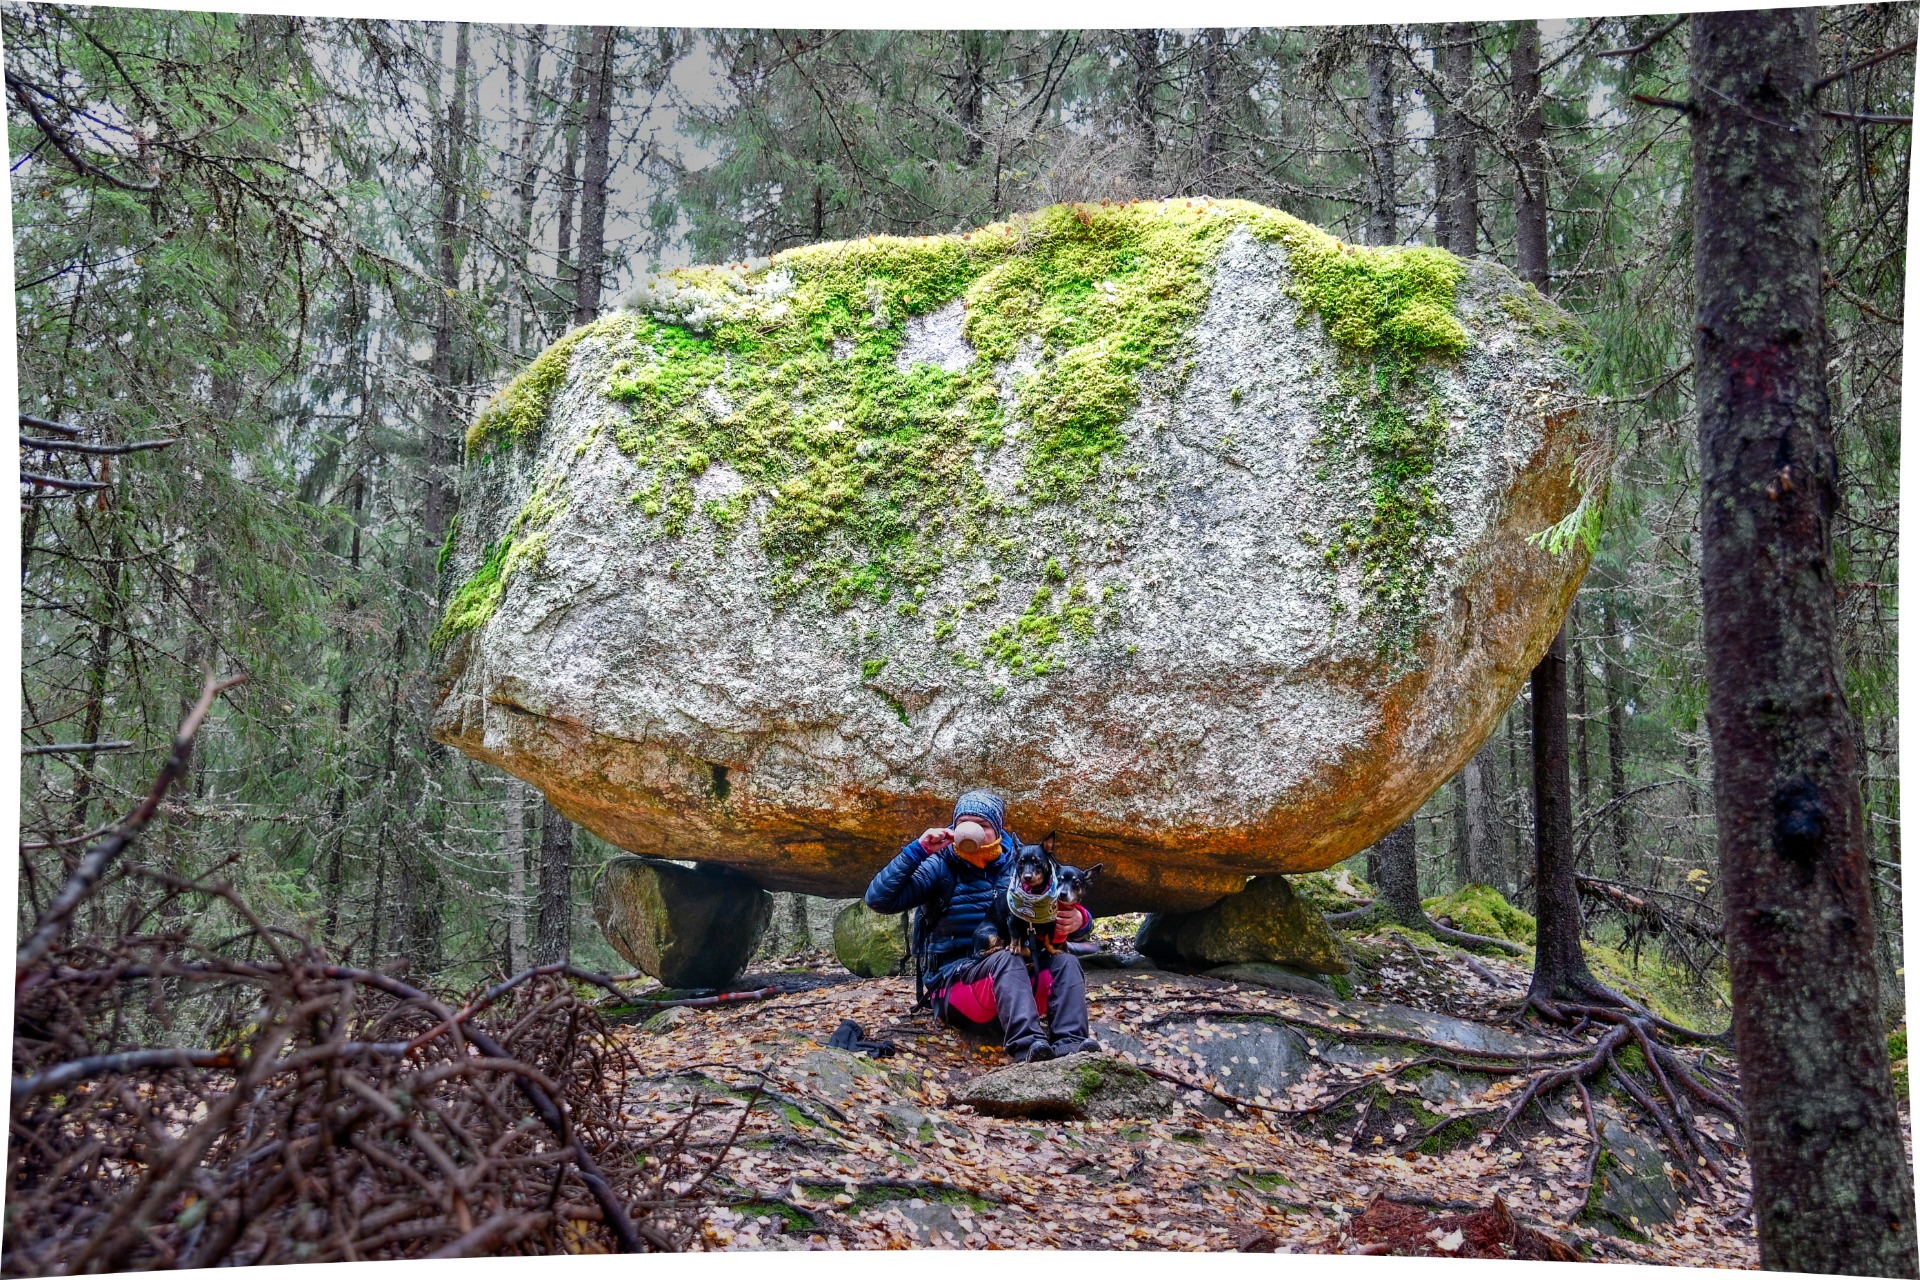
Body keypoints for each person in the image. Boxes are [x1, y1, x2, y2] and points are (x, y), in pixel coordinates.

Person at [864, 789, 1092, 1062]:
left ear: (996, 830)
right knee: (1006, 957)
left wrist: (1081, 921)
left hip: (1019, 985)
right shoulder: (940, 865)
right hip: (959, 983)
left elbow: (1063, 898)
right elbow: (878, 899)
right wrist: (919, 850)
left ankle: (1071, 1045)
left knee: (1065, 962)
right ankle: (1029, 1048)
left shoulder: (1023, 863)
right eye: (963, 824)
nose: (972, 830)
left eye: (982, 825)